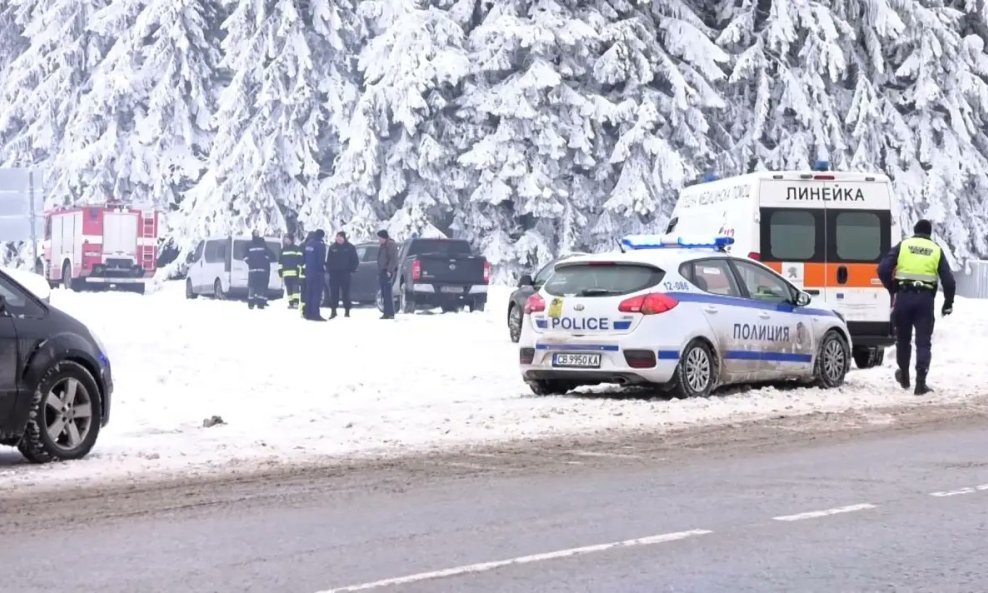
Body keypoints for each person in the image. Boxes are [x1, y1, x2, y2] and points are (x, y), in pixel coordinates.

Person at [878, 219, 955, 395]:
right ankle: (920, 383)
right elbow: (949, 281)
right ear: (929, 233)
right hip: (925, 301)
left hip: (903, 298)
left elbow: (882, 269)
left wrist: (893, 289)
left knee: (903, 340)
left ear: (915, 231)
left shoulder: (904, 245)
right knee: (923, 342)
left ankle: (904, 375)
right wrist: (948, 304)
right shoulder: (936, 250)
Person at [326, 231, 359, 318]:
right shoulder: (332, 248)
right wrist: (329, 269)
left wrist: (350, 269)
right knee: (334, 293)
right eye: (337, 237)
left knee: (346, 294)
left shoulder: (350, 247)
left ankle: (347, 311)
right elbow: (329, 260)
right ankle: (333, 311)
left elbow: (355, 260)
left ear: (344, 238)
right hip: (334, 274)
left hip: (345, 274)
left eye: (340, 237)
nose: (338, 239)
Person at [302, 230, 327, 321]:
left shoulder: (308, 244)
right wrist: (322, 269)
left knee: (309, 293)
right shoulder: (320, 244)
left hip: (308, 272)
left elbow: (304, 258)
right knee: (317, 294)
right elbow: (321, 259)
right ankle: (315, 314)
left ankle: (308, 313)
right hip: (317, 272)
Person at [245, 231, 274, 310]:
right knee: (252, 288)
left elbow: (269, 255)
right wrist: (251, 263)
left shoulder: (263, 245)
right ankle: (251, 304)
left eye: (258, 233)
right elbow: (245, 256)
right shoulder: (249, 245)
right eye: (255, 233)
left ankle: (260, 304)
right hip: (253, 270)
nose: (257, 235)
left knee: (260, 288)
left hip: (262, 270)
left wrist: (264, 262)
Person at [377, 230, 399, 319]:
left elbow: (393, 259)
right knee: (384, 293)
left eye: (379, 238)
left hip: (388, 272)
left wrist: (389, 270)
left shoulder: (390, 245)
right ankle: (386, 312)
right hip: (382, 271)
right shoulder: (383, 245)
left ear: (383, 237)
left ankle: (390, 313)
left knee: (387, 293)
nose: (378, 240)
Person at [278, 235, 304, 310]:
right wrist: (280, 271)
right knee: (289, 289)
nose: (286, 241)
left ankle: (296, 302)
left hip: (295, 272)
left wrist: (299, 270)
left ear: (291, 240)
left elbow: (300, 260)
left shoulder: (297, 249)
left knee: (295, 289)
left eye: (288, 239)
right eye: (285, 239)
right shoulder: (282, 250)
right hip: (286, 273)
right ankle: (291, 303)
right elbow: (280, 262)